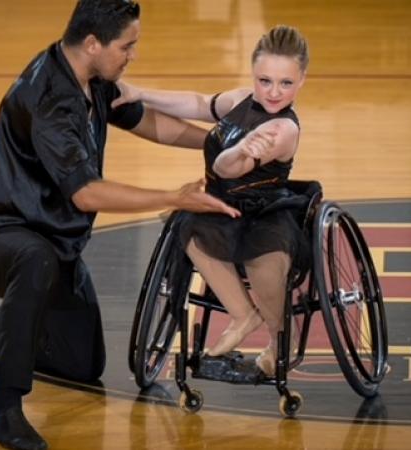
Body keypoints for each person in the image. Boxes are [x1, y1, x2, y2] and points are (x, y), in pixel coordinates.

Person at [0, 2, 240, 450]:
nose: (132, 55)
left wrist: (221, 145)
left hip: (53, 241)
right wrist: (173, 198)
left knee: (82, 364)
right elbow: (85, 193)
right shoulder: (49, 99)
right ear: (93, 43)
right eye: (128, 46)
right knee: (34, 259)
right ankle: (5, 410)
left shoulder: (95, 78)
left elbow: (147, 122)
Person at [113, 25, 310, 378]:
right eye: (265, 80)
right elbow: (200, 103)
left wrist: (240, 150)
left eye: (285, 83)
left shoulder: (283, 130)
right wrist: (139, 93)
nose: (274, 92)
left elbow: (226, 167)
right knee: (185, 225)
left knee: (261, 260)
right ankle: (242, 314)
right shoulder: (240, 100)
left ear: (302, 80)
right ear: (253, 74)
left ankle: (284, 339)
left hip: (264, 212)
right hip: (223, 204)